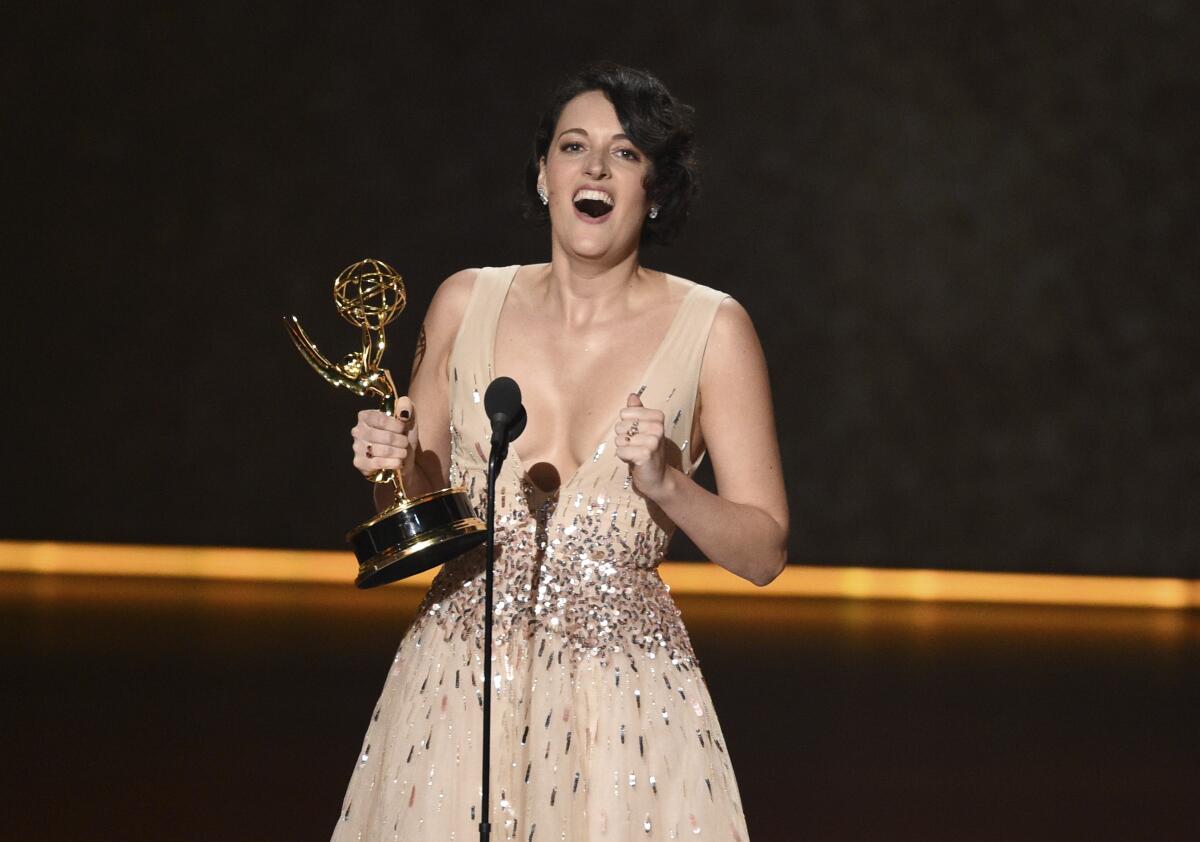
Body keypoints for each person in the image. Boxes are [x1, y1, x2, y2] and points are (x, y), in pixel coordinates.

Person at [333, 62, 788, 841]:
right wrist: (395, 463)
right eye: (574, 147)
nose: (596, 169)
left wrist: (669, 484)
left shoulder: (714, 330)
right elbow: (411, 503)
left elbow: (764, 552)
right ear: (544, 175)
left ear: (655, 188)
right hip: (457, 684)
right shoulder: (465, 301)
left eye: (626, 153)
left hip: (627, 710)